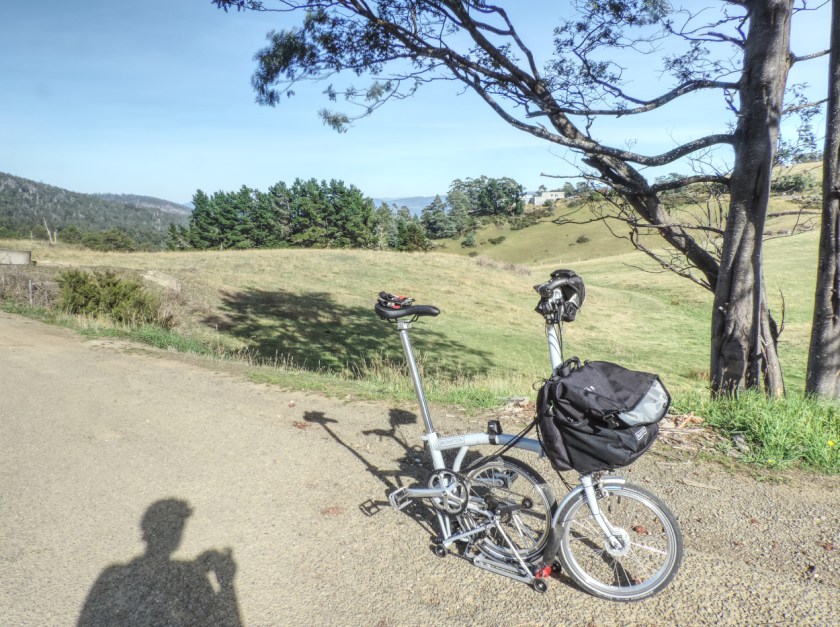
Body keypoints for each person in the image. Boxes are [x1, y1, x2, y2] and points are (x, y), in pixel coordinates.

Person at [78, 499, 241, 626]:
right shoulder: (117, 577)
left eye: (175, 528)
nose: (170, 534)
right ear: (147, 529)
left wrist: (225, 582)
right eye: (166, 527)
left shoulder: (191, 578)